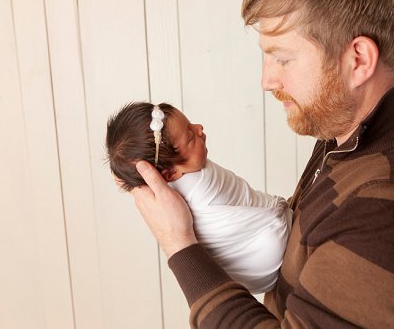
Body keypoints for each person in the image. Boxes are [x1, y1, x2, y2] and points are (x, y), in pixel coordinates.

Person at [127, 0, 394, 327]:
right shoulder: (361, 128)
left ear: (358, 59)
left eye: (282, 57)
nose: (267, 79)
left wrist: (180, 245)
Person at [107, 101, 290, 294]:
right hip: (274, 250)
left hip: (252, 279)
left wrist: (130, 180)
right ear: (169, 174)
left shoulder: (160, 192)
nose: (199, 128)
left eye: (191, 125)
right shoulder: (201, 179)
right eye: (190, 136)